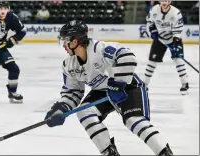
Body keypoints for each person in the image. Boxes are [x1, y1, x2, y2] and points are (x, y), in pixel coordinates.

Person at [44, 20, 173, 156]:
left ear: (74, 42)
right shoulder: (69, 65)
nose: (64, 45)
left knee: (133, 121)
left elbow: (128, 57)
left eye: (65, 41)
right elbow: (73, 92)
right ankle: (109, 152)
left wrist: (118, 83)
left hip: (127, 86)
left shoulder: (100, 49)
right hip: (103, 91)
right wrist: (60, 109)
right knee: (84, 112)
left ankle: (164, 152)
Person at [144, 1, 188, 95]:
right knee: (152, 61)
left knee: (179, 60)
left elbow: (178, 29)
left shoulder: (176, 12)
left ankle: (185, 83)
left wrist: (176, 42)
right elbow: (149, 22)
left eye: (166, 0)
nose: (164, 2)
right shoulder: (154, 10)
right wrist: (152, 31)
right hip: (159, 39)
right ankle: (145, 84)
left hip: (174, 39)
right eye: (162, 0)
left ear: (170, 1)